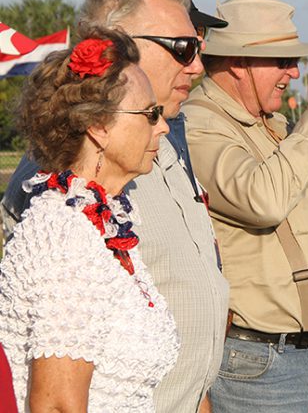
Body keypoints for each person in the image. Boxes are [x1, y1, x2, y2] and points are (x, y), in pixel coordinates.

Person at [0, 0, 230, 413]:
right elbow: (58, 403)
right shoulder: (64, 225)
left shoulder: (108, 208)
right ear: (99, 122)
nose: (198, 65)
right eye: (182, 47)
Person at [183, 0, 308, 413]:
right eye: (282, 61)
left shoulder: (273, 126)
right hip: (262, 364)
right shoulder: (200, 123)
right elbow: (265, 202)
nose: (293, 73)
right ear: (239, 63)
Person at [0, 29, 178, 411]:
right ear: (99, 127)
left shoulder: (97, 221)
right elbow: (57, 404)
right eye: (150, 113)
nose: (162, 126)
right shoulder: (65, 237)